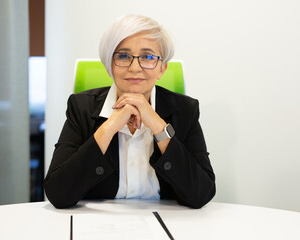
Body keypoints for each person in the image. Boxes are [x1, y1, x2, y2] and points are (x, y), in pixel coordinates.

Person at [44, 14, 215, 209]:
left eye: (148, 57)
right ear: (109, 66)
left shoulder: (185, 110)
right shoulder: (81, 108)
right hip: (98, 225)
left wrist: (159, 127)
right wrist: (108, 127)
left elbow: (202, 193)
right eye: (123, 56)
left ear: (162, 69)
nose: (135, 68)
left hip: (166, 224)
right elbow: (58, 194)